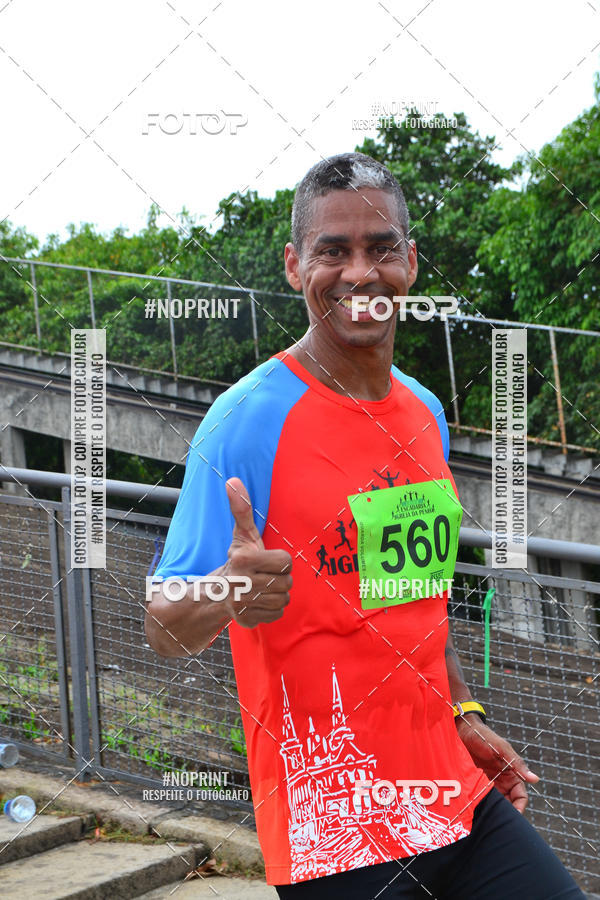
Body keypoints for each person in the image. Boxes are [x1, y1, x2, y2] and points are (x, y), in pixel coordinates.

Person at [145, 152, 585, 898]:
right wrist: (229, 590)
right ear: (294, 266)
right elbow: (163, 628)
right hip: (335, 827)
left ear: (410, 263)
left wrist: (464, 714)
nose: (359, 273)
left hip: (451, 788)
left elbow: (407, 599)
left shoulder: (422, 413)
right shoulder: (247, 422)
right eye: (333, 251)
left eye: (381, 248)